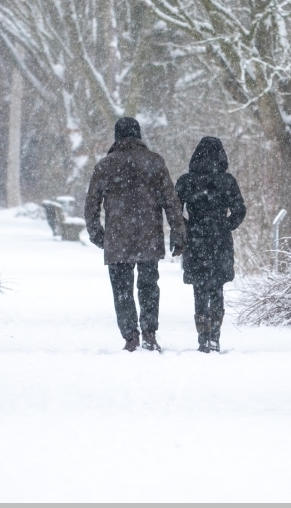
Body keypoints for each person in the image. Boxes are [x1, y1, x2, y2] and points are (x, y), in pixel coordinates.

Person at [85, 117, 186, 352]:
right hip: (148, 236)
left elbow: (91, 204)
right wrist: (178, 232)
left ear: (117, 136)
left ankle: (130, 336)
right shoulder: (154, 162)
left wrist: (97, 233)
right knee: (149, 285)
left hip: (117, 237)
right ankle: (149, 332)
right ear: (138, 135)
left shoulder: (105, 165)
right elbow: (171, 202)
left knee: (122, 288)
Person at [175, 137, 246, 353]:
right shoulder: (227, 181)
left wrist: (188, 227)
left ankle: (202, 338)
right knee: (216, 288)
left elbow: (174, 211)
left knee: (199, 289)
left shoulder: (186, 181)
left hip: (196, 239)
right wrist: (224, 225)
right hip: (219, 240)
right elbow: (239, 210)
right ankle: (215, 337)